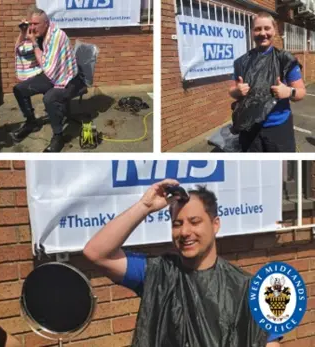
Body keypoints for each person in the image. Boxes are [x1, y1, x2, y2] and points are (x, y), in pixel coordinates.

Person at [83, 181, 281, 347]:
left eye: (194, 222)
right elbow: (97, 253)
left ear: (215, 225)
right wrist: (145, 206)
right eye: (177, 224)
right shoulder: (157, 274)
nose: (185, 232)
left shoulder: (247, 289)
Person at [10, 5, 85, 152]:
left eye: (35, 24)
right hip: (52, 75)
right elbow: (20, 49)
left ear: (46, 23)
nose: (33, 27)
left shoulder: (57, 36)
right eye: (30, 24)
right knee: (19, 89)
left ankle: (58, 136)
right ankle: (31, 122)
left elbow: (47, 65)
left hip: (68, 78)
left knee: (50, 98)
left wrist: (34, 43)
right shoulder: (39, 35)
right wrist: (23, 32)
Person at [229, 12, 306, 152]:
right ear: (252, 32)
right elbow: (231, 91)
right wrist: (237, 91)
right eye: (257, 29)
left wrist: (289, 91)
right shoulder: (241, 62)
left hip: (278, 127)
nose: (262, 33)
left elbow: (301, 92)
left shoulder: (285, 59)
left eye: (267, 28)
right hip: (249, 127)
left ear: (274, 30)